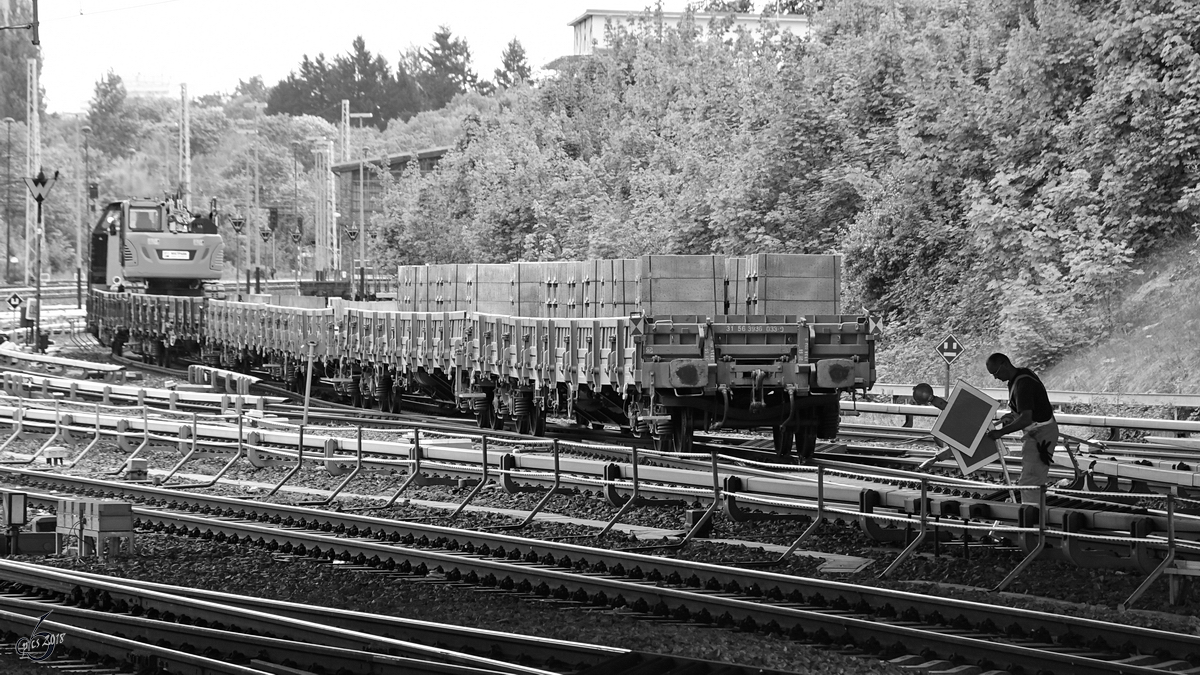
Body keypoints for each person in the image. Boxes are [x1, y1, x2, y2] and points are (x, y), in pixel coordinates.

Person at [984, 352, 1057, 487]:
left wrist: (1001, 432)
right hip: (1038, 431)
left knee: (1031, 479)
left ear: (1005, 364)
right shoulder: (1019, 377)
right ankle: (1032, 505)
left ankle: (1032, 506)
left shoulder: (1023, 384)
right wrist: (1012, 417)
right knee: (1031, 476)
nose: (995, 377)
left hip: (1041, 434)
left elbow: (1026, 419)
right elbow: (1029, 408)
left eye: (996, 372)